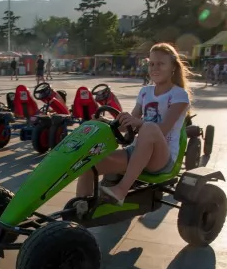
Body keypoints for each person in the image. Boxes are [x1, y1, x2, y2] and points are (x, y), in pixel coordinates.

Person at [76, 42, 191, 205]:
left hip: (161, 158)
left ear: (173, 67)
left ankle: (121, 190)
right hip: (137, 152)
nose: (154, 68)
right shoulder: (145, 92)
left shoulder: (179, 94)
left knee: (150, 128)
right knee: (88, 164)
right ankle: (80, 209)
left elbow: (163, 129)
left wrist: (138, 122)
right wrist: (105, 123)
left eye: (160, 64)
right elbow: (128, 125)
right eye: (151, 64)